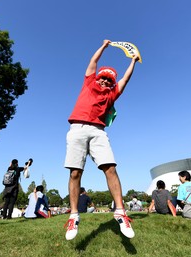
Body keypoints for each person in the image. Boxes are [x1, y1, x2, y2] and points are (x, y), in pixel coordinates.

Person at [64, 39, 140, 240]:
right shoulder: (89, 82)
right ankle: (73, 216)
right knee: (75, 173)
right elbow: (92, 62)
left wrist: (133, 60)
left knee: (111, 169)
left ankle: (120, 213)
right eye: (103, 78)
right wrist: (104, 47)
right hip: (77, 128)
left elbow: (125, 79)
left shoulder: (112, 94)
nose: (105, 81)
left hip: (99, 131)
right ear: (97, 78)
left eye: (109, 80)